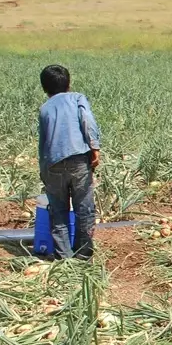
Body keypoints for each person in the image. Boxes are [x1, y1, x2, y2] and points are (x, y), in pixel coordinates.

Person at [37, 64, 100, 260]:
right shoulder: (77, 98)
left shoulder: (44, 108)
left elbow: (43, 142)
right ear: (69, 84)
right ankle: (83, 255)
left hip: (53, 164)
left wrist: (43, 169)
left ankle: (63, 257)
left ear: (44, 88)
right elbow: (87, 121)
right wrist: (95, 147)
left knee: (58, 211)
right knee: (84, 208)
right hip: (78, 160)